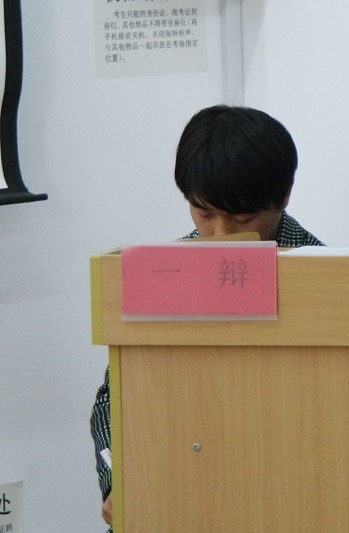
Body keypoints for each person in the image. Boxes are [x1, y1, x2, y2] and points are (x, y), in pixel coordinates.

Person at [90, 105, 323, 530]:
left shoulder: (326, 276)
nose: (221, 235)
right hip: (180, 486)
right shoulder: (164, 273)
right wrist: (118, 478)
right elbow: (114, 396)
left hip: (285, 489)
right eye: (204, 214)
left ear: (284, 195)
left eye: (242, 218)